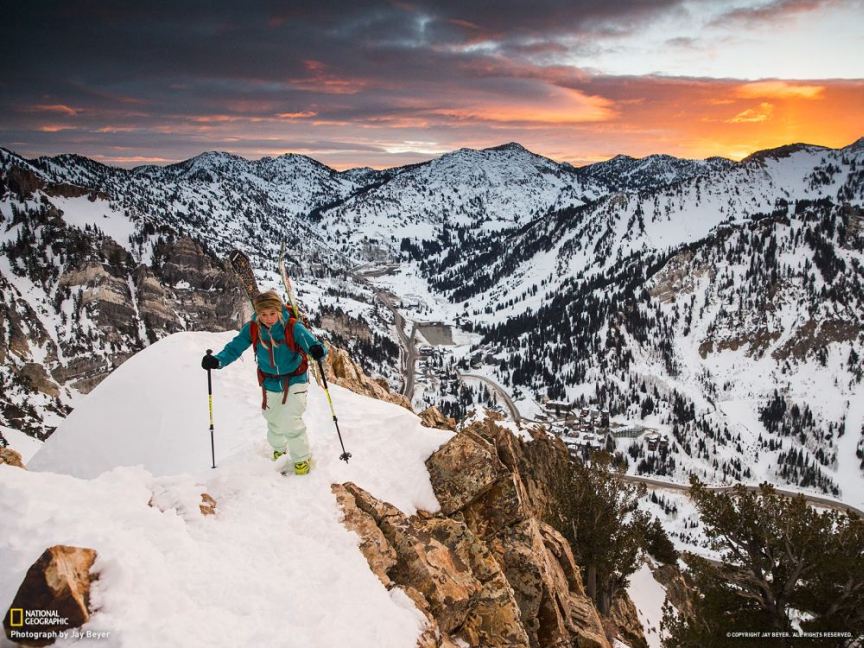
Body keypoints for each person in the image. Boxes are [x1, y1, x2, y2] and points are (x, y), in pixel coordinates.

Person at [201, 290, 326, 475]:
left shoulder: (293, 327)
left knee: (290, 420)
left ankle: (301, 459)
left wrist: (317, 350)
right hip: (269, 381)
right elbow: (235, 348)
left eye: (272, 314)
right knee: (273, 420)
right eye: (263, 314)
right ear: (258, 314)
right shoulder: (253, 328)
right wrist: (218, 361)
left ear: (279, 310)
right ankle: (279, 450)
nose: (268, 318)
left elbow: (316, 346)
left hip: (295, 378)